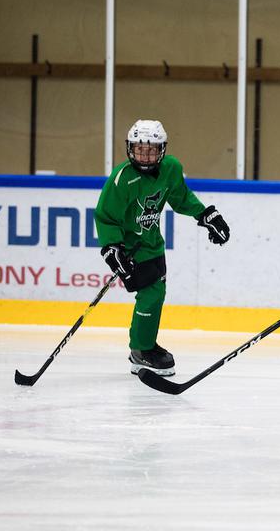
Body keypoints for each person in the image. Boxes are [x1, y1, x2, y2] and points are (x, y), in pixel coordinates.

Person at [95, 119, 230, 376]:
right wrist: (112, 248)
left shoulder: (171, 169)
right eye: (139, 148)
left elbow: (181, 198)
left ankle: (144, 345)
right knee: (151, 293)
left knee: (156, 293)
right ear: (130, 148)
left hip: (153, 243)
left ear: (162, 149)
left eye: (151, 149)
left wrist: (205, 215)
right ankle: (141, 350)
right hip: (131, 247)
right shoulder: (122, 179)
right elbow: (106, 216)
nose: (145, 154)